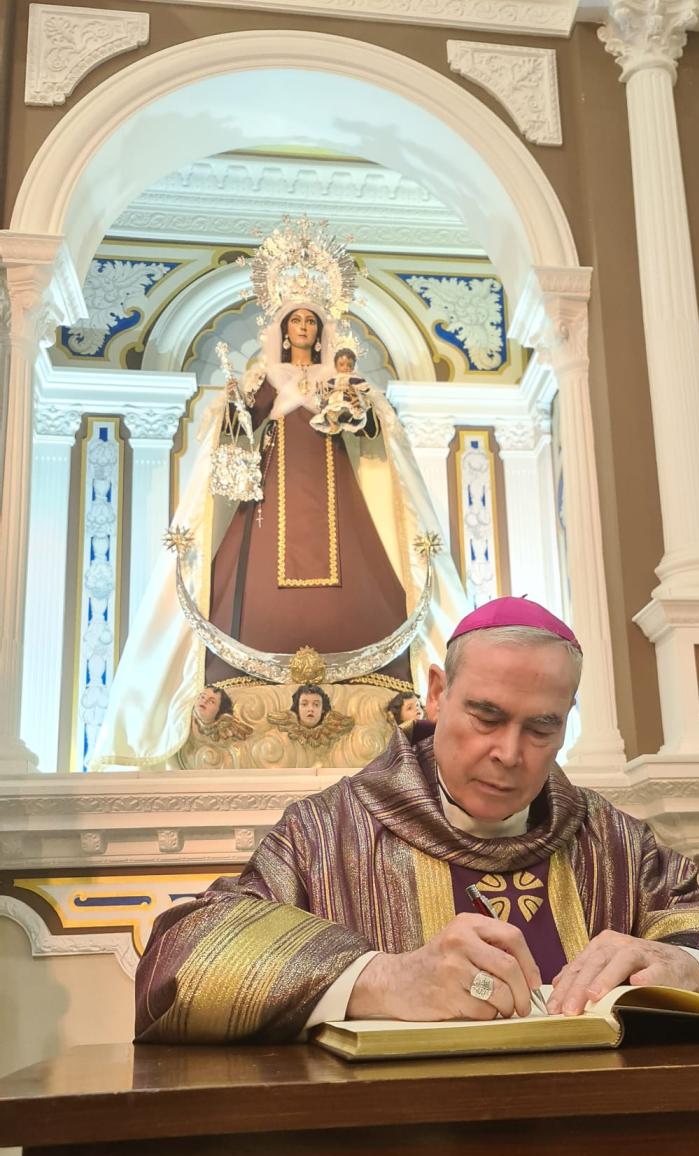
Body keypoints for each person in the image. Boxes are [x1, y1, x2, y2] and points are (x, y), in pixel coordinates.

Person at [136, 597, 699, 1156]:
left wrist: (686, 964)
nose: (508, 753)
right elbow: (181, 957)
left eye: (541, 728)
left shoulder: (611, 841)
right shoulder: (327, 833)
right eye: (484, 715)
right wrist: (380, 977)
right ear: (437, 692)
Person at [90, 218, 469, 769]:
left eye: (310, 322)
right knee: (243, 577)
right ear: (282, 326)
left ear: (322, 330)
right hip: (266, 504)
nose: (301, 330)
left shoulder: (343, 379)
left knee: (367, 569)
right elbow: (232, 434)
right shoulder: (259, 377)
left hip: (338, 492)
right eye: (293, 320)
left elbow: (376, 438)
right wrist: (246, 408)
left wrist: (354, 413)